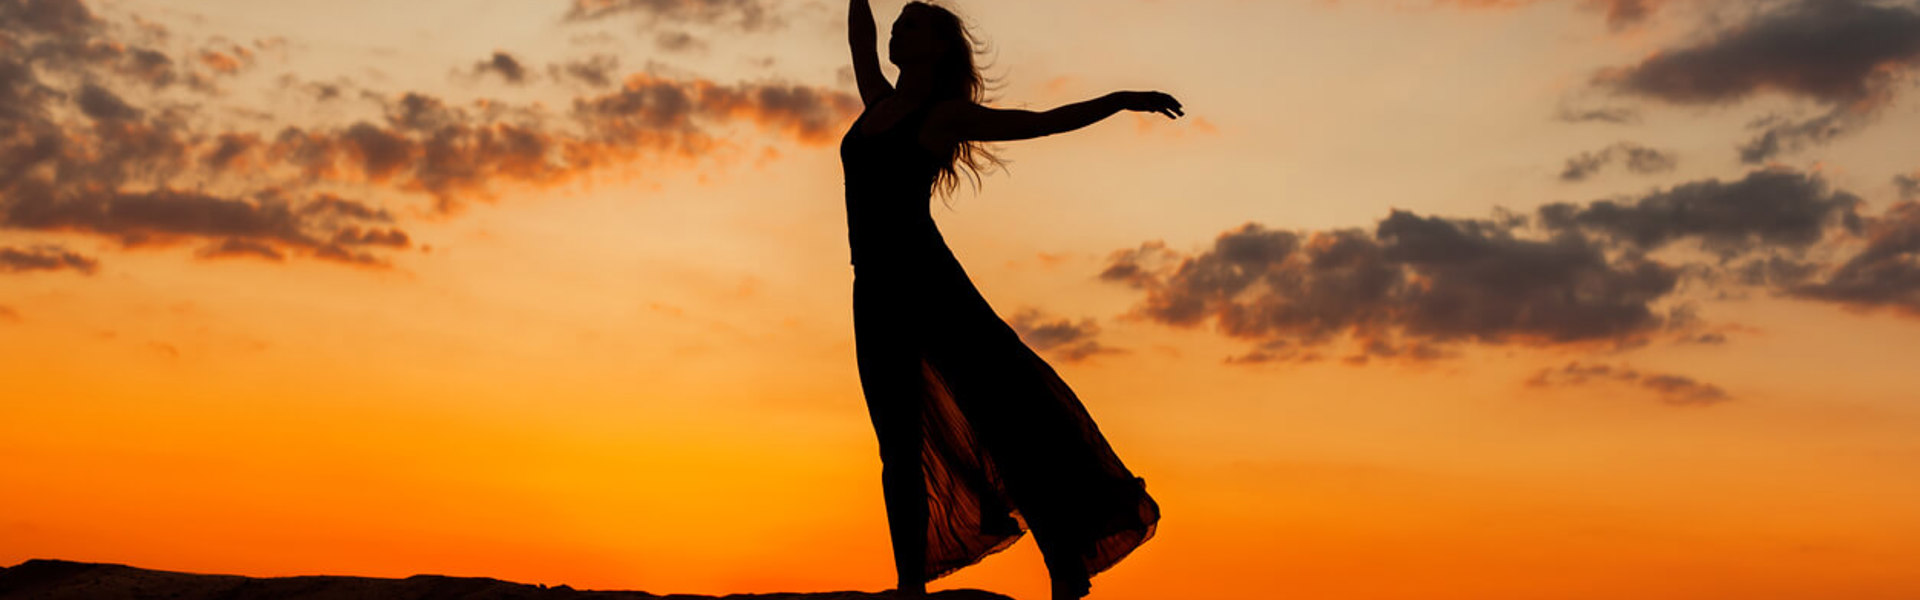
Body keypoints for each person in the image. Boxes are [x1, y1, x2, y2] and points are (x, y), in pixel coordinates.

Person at [840, 2, 1181, 599]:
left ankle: (1064, 560)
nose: (897, 29)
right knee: (896, 443)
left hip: (928, 282)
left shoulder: (941, 115)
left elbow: (1044, 121)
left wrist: (1121, 98)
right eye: (897, 22)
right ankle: (909, 588)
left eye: (911, 24)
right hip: (873, 290)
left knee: (1007, 417)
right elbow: (861, 41)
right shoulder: (878, 101)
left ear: (940, 47)